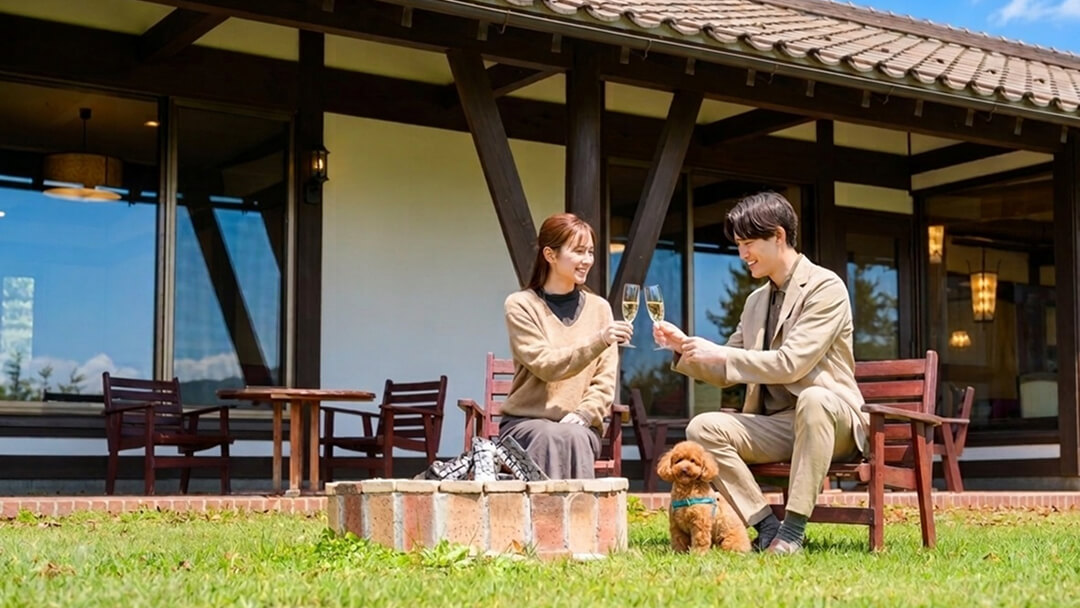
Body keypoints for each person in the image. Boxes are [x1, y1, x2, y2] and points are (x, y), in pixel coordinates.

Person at [653, 192, 865, 555]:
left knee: (813, 400)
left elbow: (791, 363)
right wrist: (684, 347)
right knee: (702, 427)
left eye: (749, 243)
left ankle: (793, 532)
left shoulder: (826, 288)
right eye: (738, 245)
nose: (742, 254)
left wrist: (722, 352)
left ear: (778, 236)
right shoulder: (755, 302)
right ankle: (767, 526)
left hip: (832, 421)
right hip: (780, 424)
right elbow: (728, 367)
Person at [499, 212, 633, 479]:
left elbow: (604, 381)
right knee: (549, 435)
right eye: (578, 251)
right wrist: (600, 339)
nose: (587, 261)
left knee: (571, 435)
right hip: (526, 423)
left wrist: (585, 413)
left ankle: (578, 518)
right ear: (550, 255)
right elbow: (546, 365)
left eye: (591, 252)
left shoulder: (599, 309)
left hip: (579, 425)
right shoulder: (521, 305)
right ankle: (543, 518)